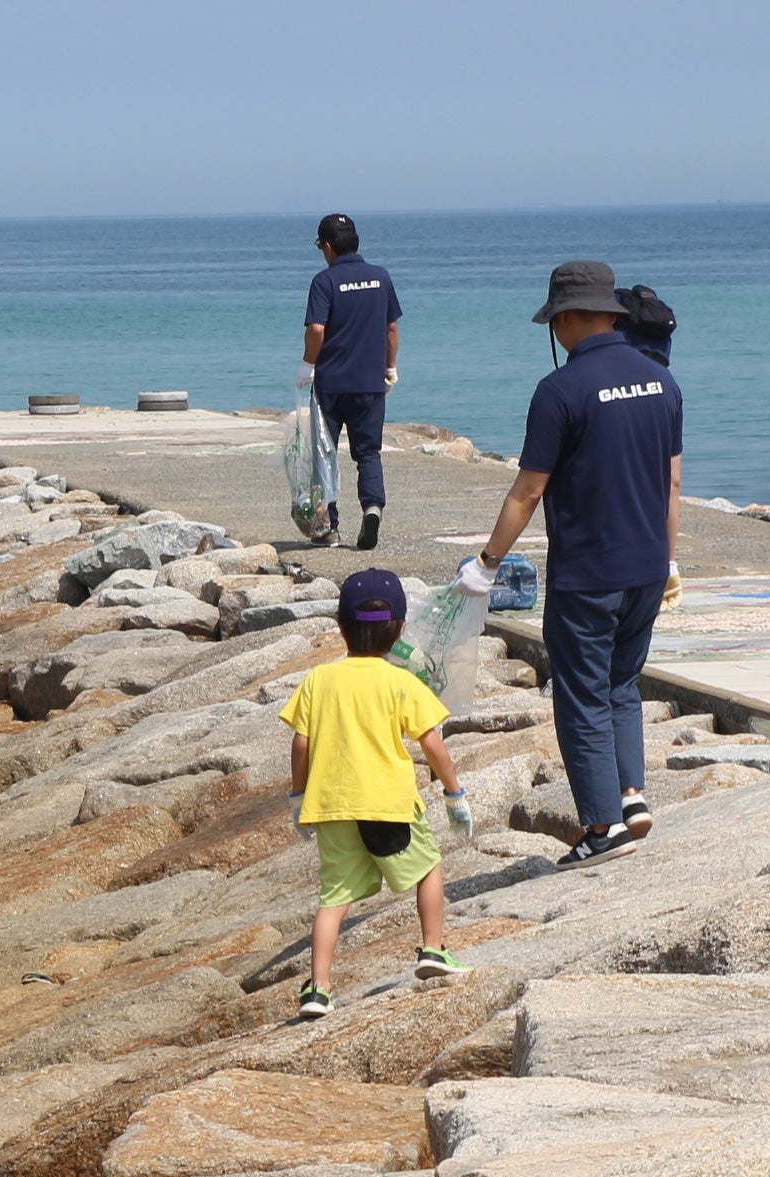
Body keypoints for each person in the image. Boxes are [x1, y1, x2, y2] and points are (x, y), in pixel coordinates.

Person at [464, 259, 684, 868]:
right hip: (647, 564)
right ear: (610, 312)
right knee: (621, 684)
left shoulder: (559, 391)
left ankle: (600, 826)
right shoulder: (660, 382)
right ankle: (632, 796)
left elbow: (528, 491)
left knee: (582, 694)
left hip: (589, 569)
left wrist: (487, 563)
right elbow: (671, 483)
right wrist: (669, 561)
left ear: (563, 320)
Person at [279, 567, 474, 1021]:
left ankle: (319, 989)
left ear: (340, 627)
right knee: (428, 868)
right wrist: (454, 793)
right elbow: (432, 744)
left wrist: (297, 797)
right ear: (400, 629)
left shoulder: (317, 681)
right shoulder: (402, 682)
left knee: (334, 898)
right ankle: (432, 948)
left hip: (331, 808)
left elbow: (301, 742)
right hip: (388, 806)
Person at [299, 214, 403, 551]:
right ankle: (372, 508)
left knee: (323, 455)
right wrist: (390, 367)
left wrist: (307, 364)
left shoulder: (325, 282)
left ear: (327, 247)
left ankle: (328, 527)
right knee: (368, 453)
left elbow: (317, 330)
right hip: (370, 384)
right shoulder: (380, 278)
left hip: (331, 385)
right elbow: (391, 329)